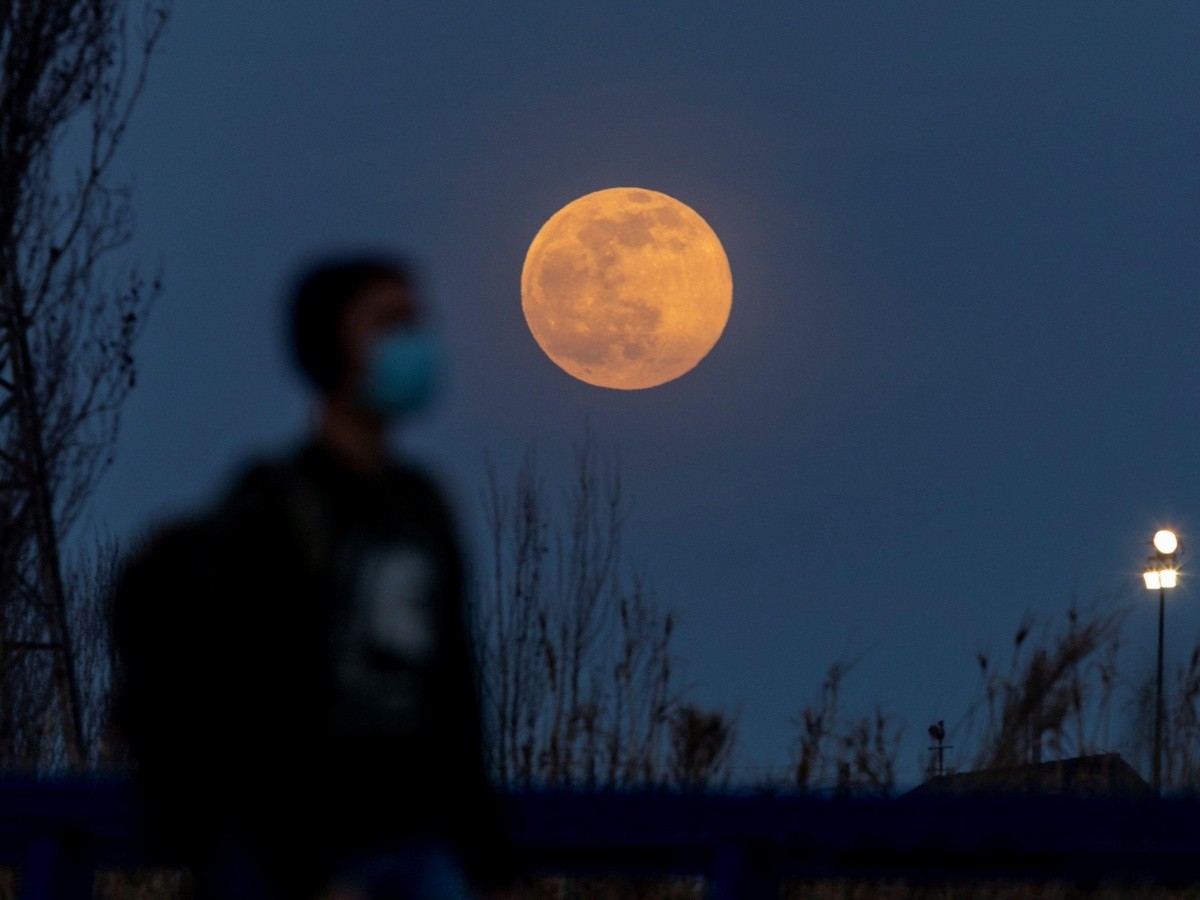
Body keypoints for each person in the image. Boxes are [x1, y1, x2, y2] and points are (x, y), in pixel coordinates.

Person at [112, 256, 513, 899]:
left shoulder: (423, 505)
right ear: (331, 347)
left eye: (416, 321)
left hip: (418, 846)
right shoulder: (275, 512)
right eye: (388, 323)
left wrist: (489, 857)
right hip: (304, 863)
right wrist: (301, 868)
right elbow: (244, 706)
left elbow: (456, 694)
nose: (415, 343)